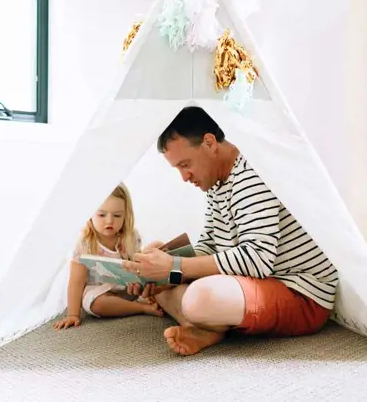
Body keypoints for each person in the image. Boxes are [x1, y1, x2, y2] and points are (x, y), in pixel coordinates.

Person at [123, 107, 339, 355]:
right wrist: (160, 273)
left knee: (198, 298)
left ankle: (204, 321)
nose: (184, 177)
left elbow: (257, 259)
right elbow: (210, 244)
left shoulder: (251, 174)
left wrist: (174, 267)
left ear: (209, 143)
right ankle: (206, 324)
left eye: (185, 164)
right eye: (177, 169)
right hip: (258, 282)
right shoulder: (218, 182)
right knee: (157, 254)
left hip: (300, 293)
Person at [54, 183, 163, 330]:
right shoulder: (85, 244)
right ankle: (140, 308)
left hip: (127, 290)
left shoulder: (130, 237)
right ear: (90, 214)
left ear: (126, 215)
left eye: (117, 215)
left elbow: (135, 265)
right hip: (100, 293)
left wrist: (137, 280)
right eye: (101, 215)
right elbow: (76, 282)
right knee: (94, 303)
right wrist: (73, 315)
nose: (109, 221)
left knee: (156, 246)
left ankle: (143, 300)